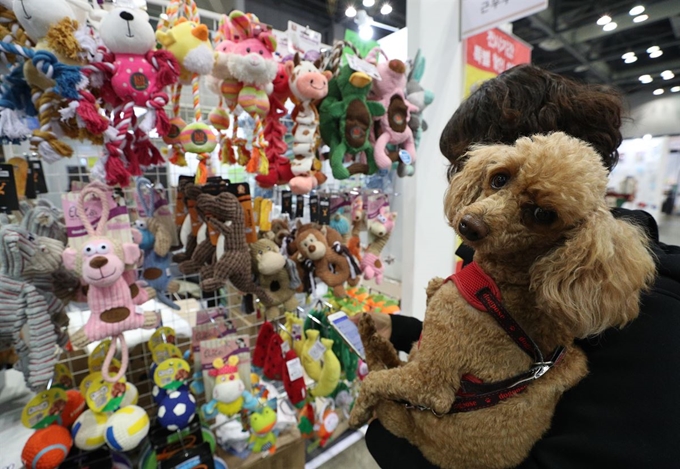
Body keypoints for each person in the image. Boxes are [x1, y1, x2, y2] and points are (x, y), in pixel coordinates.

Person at [357, 64, 680, 469]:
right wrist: (404, 330)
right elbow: (493, 348)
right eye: (493, 180)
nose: (463, 189)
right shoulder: (506, 262)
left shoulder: (654, 320)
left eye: (462, 165)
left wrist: (389, 432)